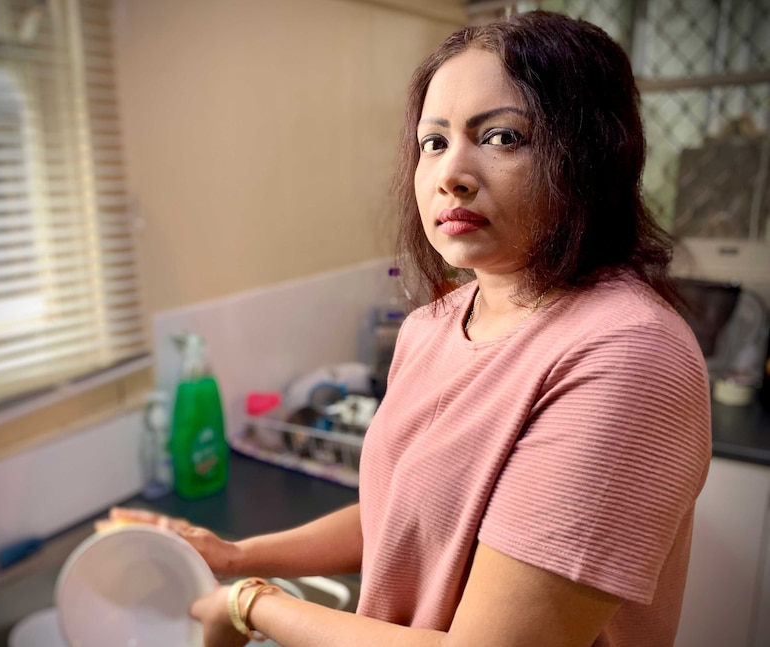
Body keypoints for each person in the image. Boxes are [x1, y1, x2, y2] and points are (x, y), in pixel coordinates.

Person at [111, 10, 712, 646]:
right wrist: (236, 556)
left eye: (503, 137)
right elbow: (405, 518)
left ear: (592, 156)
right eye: (434, 142)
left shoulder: (626, 355)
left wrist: (248, 605)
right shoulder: (434, 325)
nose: (450, 173)